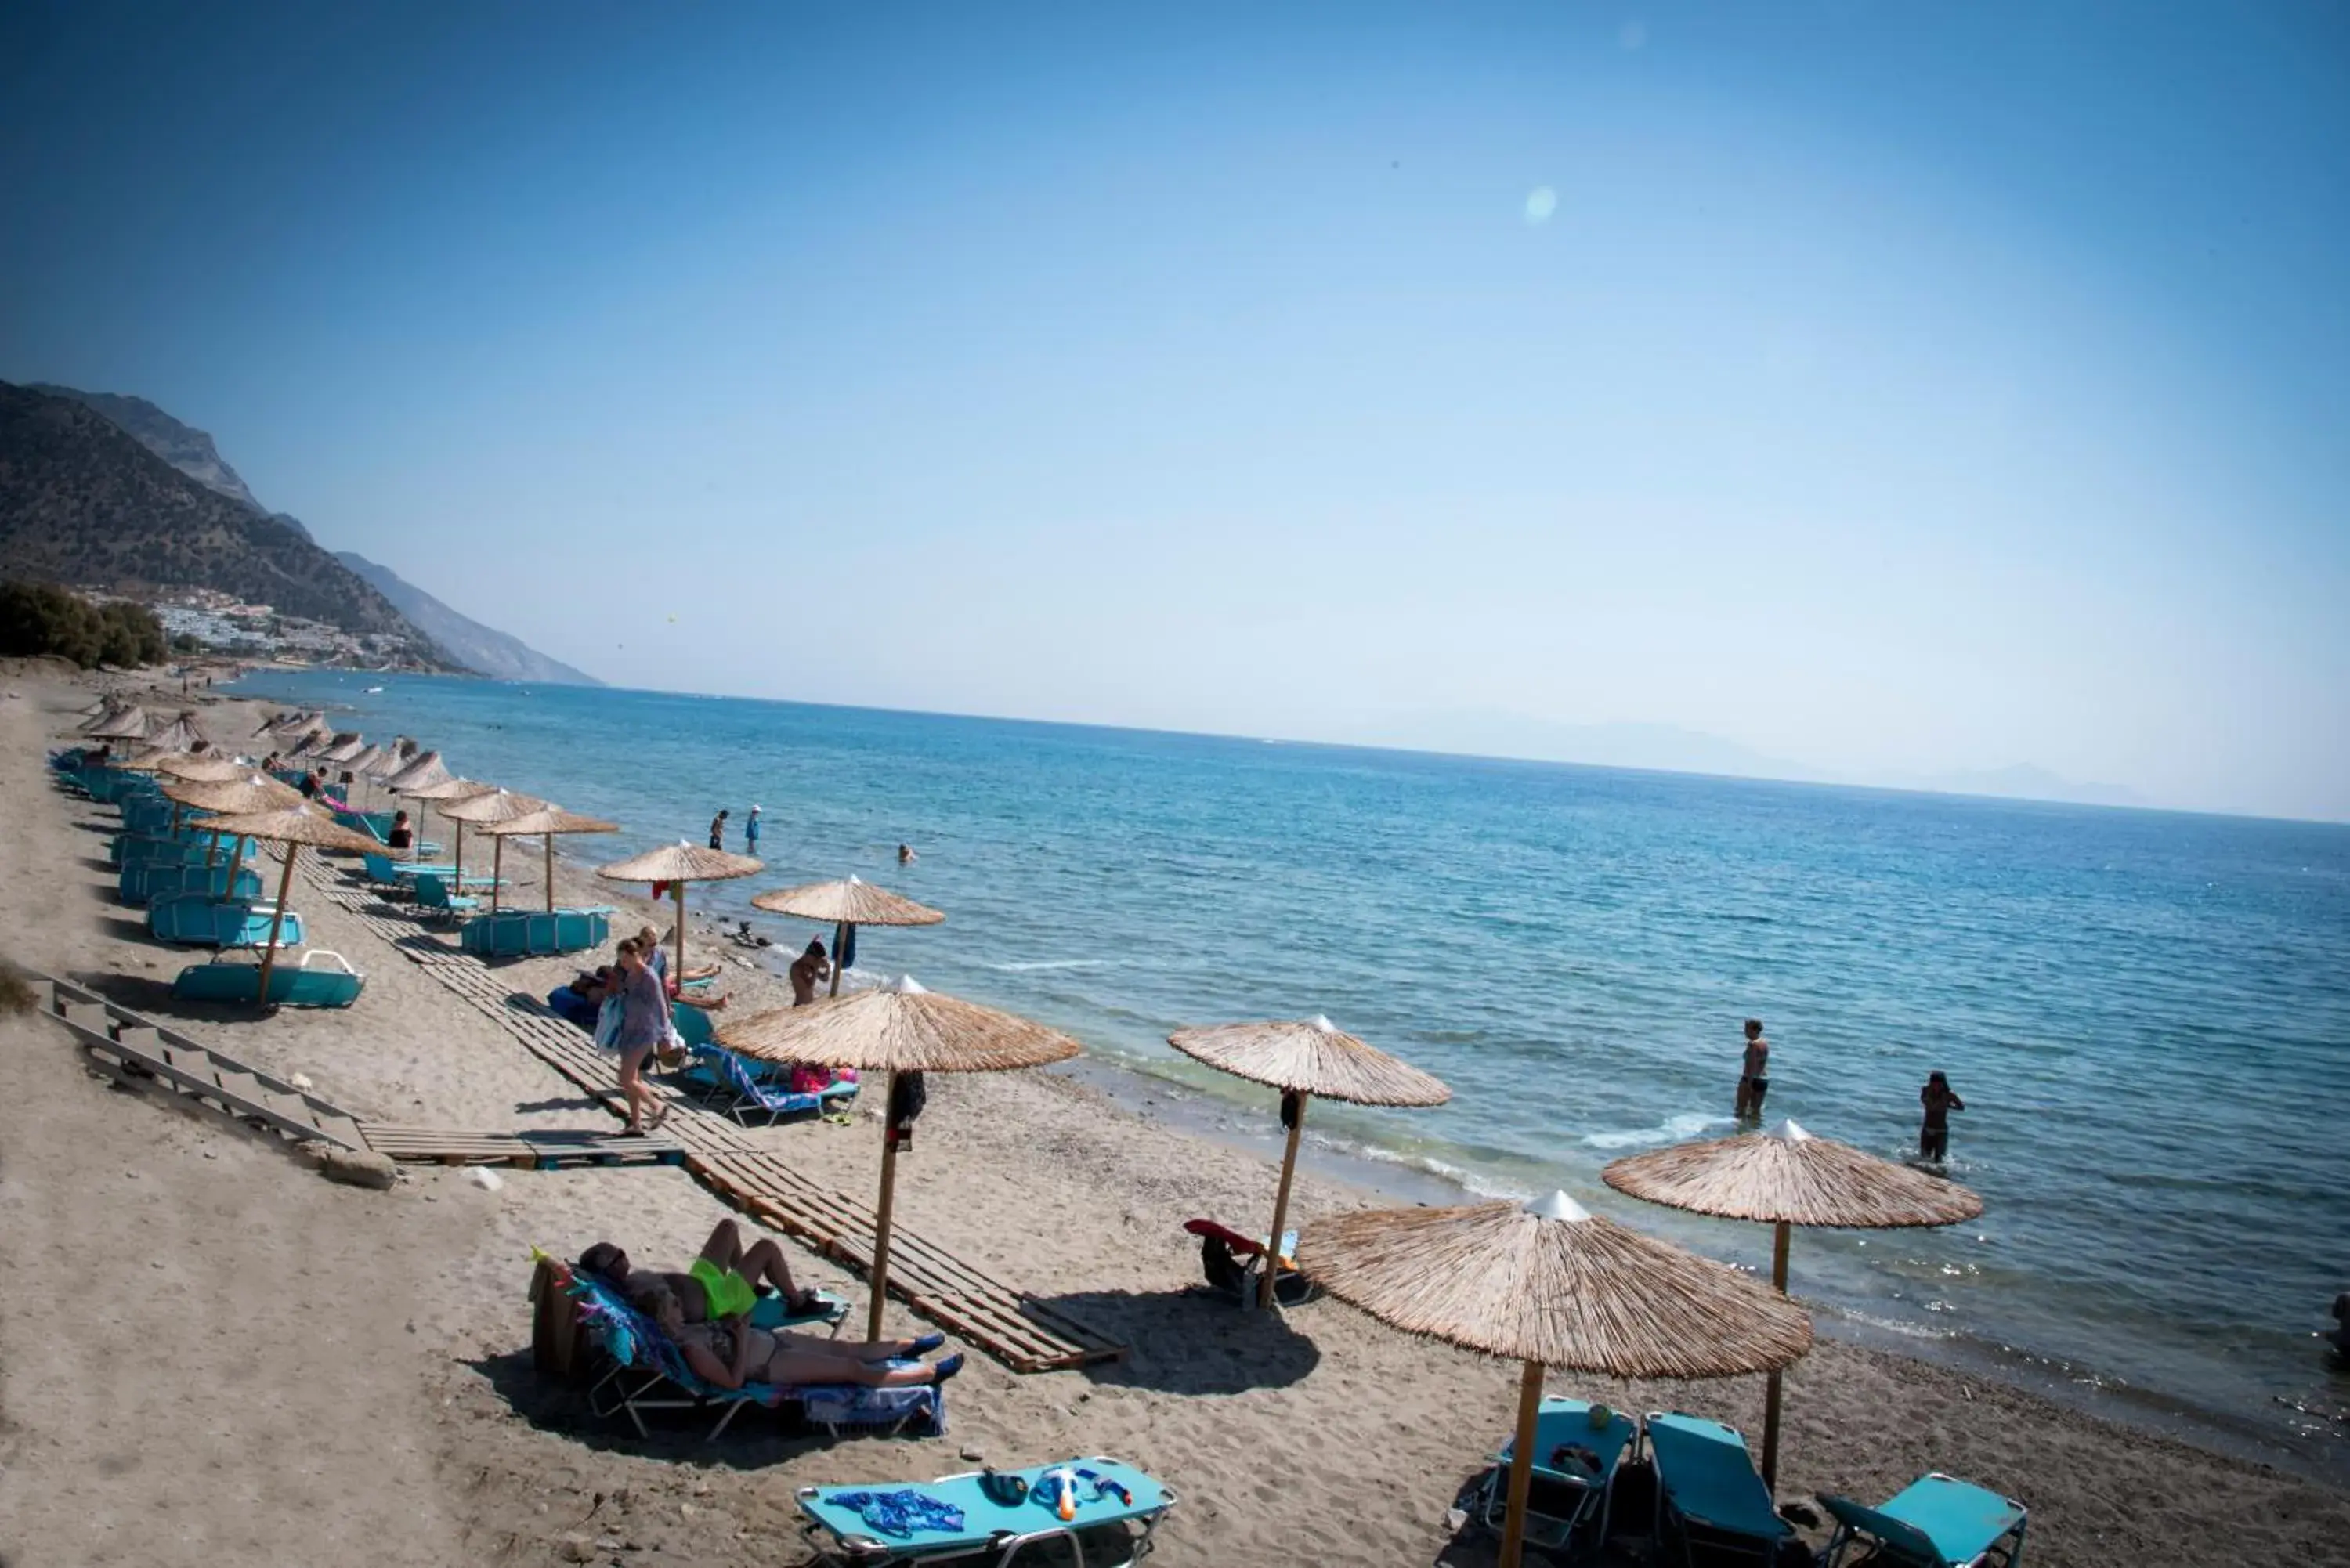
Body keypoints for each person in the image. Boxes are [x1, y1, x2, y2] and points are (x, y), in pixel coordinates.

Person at [636, 1281, 963, 1390]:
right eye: (675, 1304)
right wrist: (738, 1338)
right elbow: (732, 1382)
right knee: (852, 1370)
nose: (682, 1305)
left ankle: (910, 1347)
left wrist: (733, 1324)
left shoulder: (692, 1329)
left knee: (847, 1349)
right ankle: (930, 1375)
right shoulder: (690, 1347)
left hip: (771, 1342)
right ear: (666, 1315)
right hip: (769, 1364)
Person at [578, 1219, 835, 1322]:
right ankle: (797, 1300)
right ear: (610, 1271)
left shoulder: (626, 1286)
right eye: (619, 1255)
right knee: (766, 1247)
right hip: (720, 1301)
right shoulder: (634, 1293)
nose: (625, 1255)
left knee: (728, 1228)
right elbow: (672, 1317)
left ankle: (751, 1282)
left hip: (705, 1282)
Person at [611, 938, 670, 1135]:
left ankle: (657, 1106)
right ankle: (635, 1124)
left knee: (625, 1079)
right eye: (620, 959)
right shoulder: (630, 974)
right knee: (633, 1078)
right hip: (629, 1029)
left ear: (635, 955)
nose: (622, 963)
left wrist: (664, 1038)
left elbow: (661, 1007)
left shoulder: (649, 977)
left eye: (625, 958)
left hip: (646, 1032)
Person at [1918, 1071, 1965, 1162]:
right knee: (1924, 1156)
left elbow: (1961, 1107)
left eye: (1939, 1085)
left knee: (1939, 1159)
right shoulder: (1926, 1090)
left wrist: (1948, 1106)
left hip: (1941, 1130)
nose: (1936, 1087)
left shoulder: (1949, 1094)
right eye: (1934, 1084)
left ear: (1943, 1084)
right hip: (1927, 1127)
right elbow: (1924, 1101)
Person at [1734, 1018, 1770, 1119]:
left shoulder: (1753, 1045)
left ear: (1754, 1030)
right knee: (1756, 1111)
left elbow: (1752, 1064)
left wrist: (1749, 1083)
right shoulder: (1764, 1043)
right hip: (1763, 1080)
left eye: (1747, 1029)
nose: (1745, 1032)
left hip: (1750, 1079)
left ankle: (1740, 1132)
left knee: (1741, 1109)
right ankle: (1755, 1132)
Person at [790, 939, 831, 1006]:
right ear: (809, 955)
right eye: (816, 958)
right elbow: (808, 986)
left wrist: (828, 968)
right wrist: (816, 969)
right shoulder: (796, 967)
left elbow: (825, 979)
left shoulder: (810, 966)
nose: (817, 961)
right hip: (799, 1006)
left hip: (809, 1006)